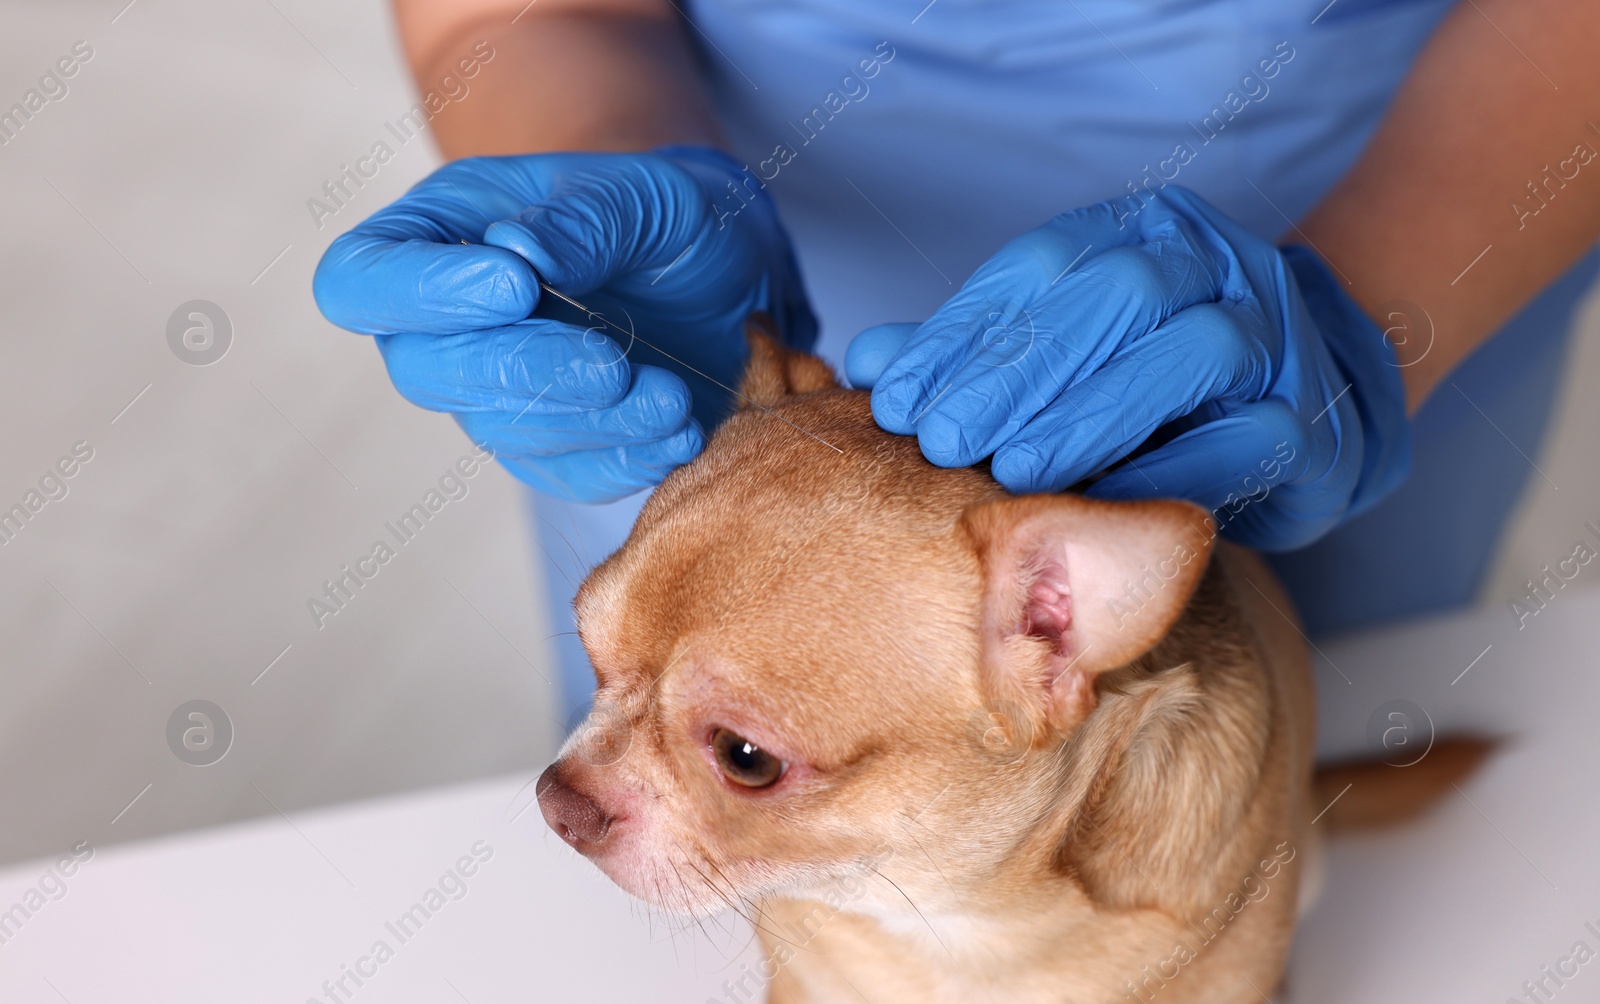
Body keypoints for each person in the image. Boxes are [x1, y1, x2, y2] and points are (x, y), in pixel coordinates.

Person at [314, 0, 1600, 728]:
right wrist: (600, 149)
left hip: (1427, 196)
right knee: (709, 770)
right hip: (720, 316)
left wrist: (1373, 300)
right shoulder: (654, 368)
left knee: (1316, 798)